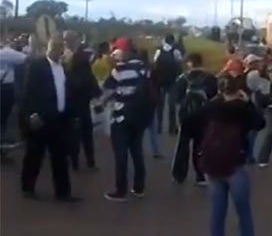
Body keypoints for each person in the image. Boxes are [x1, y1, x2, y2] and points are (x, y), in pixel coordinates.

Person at [196, 74, 265, 236]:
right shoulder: (242, 109)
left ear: (220, 90)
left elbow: (193, 121)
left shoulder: (212, 108)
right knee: (243, 213)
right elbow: (260, 123)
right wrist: (248, 102)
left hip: (213, 164)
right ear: (238, 90)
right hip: (235, 164)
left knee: (217, 212)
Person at [18, 36, 81, 202]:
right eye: (55, 47)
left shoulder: (63, 68)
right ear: (49, 48)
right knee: (34, 156)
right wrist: (31, 114)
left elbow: (67, 94)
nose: (58, 51)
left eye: (61, 48)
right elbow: (28, 93)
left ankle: (63, 193)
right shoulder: (37, 66)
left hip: (59, 119)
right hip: (40, 119)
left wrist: (72, 115)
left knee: (60, 158)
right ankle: (28, 188)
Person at [100, 38, 156, 202]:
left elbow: (106, 90)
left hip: (122, 117)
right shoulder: (144, 68)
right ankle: (139, 188)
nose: (113, 53)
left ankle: (120, 190)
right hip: (140, 116)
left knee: (121, 154)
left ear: (123, 51)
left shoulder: (119, 69)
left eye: (116, 50)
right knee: (137, 152)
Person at [171, 53, 218, 185]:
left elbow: (176, 98)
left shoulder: (182, 78)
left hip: (186, 116)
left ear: (189, 63)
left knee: (182, 145)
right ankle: (200, 175)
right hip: (203, 116)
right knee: (200, 145)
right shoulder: (210, 78)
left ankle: (179, 175)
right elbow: (213, 95)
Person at [63, 31, 102, 171]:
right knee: (84, 133)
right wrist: (96, 93)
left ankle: (76, 162)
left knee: (77, 133)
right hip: (79, 100)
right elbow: (89, 77)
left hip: (73, 100)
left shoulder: (69, 57)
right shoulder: (78, 57)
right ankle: (86, 162)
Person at [153, 34, 184, 136]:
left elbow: (154, 63)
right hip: (172, 82)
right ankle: (172, 127)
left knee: (159, 106)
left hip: (160, 82)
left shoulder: (158, 51)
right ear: (173, 41)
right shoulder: (176, 52)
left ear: (165, 41)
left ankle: (159, 127)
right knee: (172, 106)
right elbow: (180, 65)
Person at [0, 40, 28, 154]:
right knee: (2, 118)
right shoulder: (6, 53)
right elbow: (26, 59)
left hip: (5, 88)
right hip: (5, 89)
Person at [244, 54, 269, 164]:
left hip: (247, 103)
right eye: (257, 62)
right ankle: (249, 155)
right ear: (252, 64)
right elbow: (265, 89)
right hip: (256, 103)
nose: (259, 64)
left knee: (247, 131)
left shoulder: (244, 74)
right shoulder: (255, 74)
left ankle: (245, 154)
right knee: (253, 131)